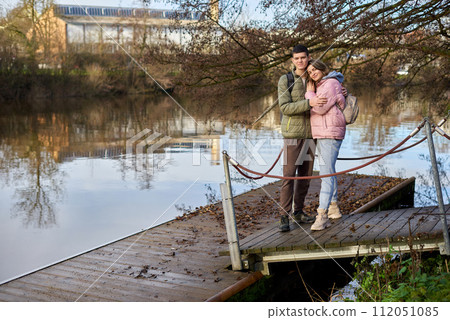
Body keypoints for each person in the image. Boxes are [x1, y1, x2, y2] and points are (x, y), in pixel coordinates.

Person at [277, 45, 328, 232]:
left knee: (305, 178)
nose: (300, 61)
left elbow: (332, 85)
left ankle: (298, 212)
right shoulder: (286, 80)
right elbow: (285, 107)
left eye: (303, 58)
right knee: (288, 176)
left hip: (312, 134)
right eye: (296, 58)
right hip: (293, 135)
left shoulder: (315, 77)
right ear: (292, 60)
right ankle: (284, 216)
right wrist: (309, 103)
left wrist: (342, 92)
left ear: (309, 58)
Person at [305, 59, 346, 231]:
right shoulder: (323, 85)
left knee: (325, 174)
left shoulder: (329, 83)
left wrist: (309, 94)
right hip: (323, 132)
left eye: (314, 69)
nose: (312, 73)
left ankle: (321, 216)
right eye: (309, 72)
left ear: (322, 68)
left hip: (330, 132)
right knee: (328, 171)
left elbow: (320, 109)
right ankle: (334, 208)